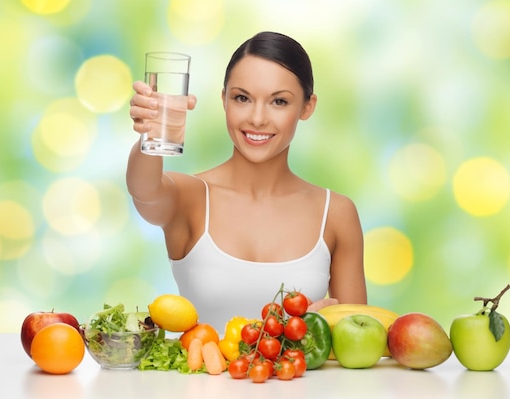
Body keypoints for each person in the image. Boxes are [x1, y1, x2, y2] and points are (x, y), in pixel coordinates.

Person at [127, 31, 367, 332]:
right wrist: (150, 133)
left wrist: (310, 332)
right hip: (200, 379)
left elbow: (357, 340)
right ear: (224, 99)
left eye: (278, 102)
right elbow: (144, 190)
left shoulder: (337, 213)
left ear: (307, 107)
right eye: (242, 98)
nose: (257, 118)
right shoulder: (191, 198)